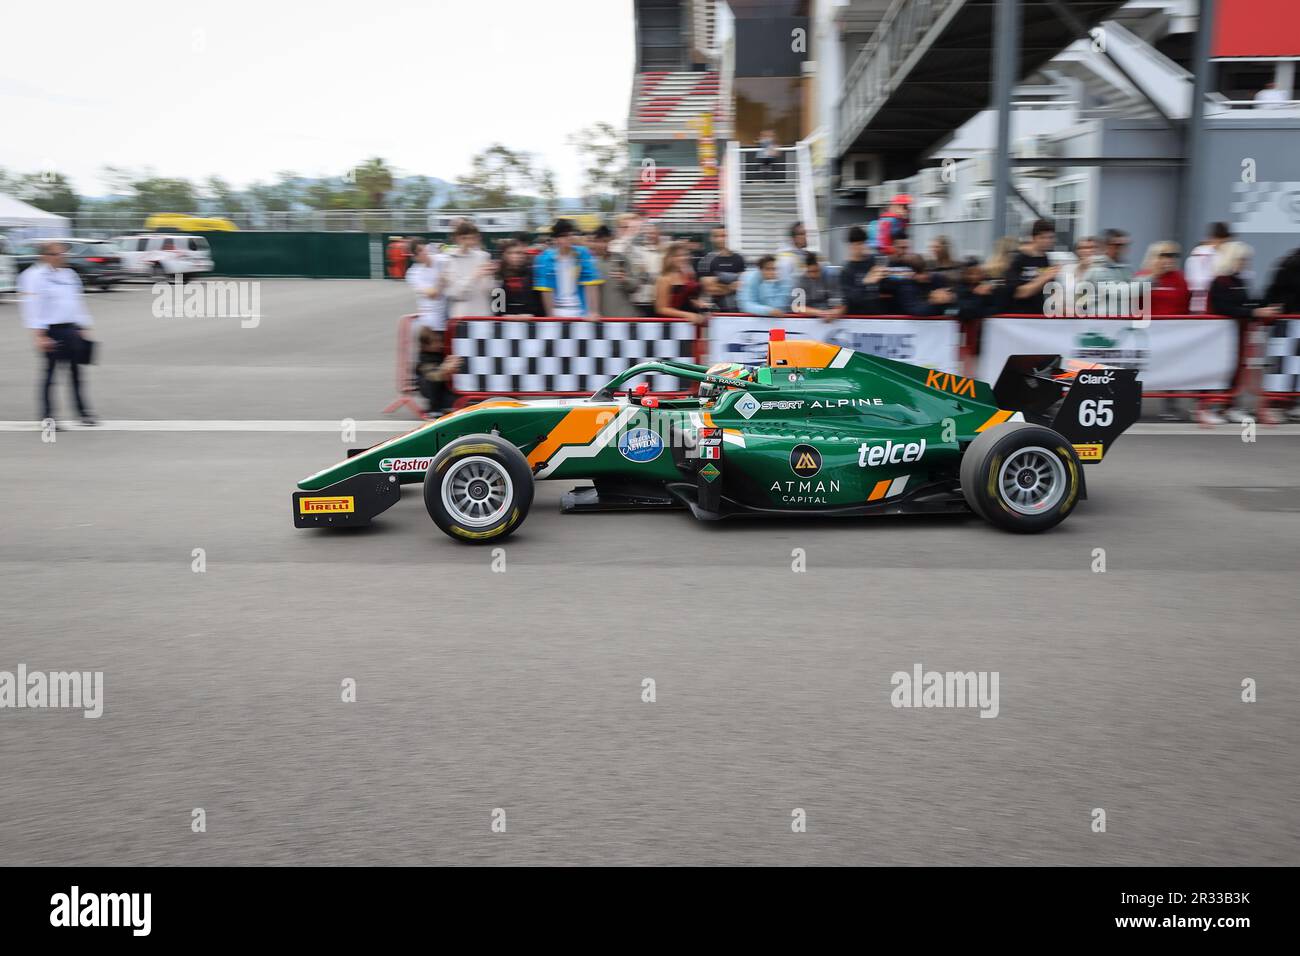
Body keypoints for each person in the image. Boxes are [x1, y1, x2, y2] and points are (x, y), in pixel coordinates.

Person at [19, 241, 97, 427]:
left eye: (63, 254)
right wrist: (39, 335)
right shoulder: (33, 276)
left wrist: (83, 327)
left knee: (76, 374)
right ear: (44, 256)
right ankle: (47, 417)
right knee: (50, 375)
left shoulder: (69, 274)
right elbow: (32, 307)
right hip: (51, 330)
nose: (62, 257)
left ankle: (83, 412)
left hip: (72, 329)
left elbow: (77, 302)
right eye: (57, 254)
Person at [1204, 241, 1280, 424]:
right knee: (1220, 369)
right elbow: (1224, 307)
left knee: (1236, 370)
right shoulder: (1219, 282)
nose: (1245, 263)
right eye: (1242, 259)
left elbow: (1247, 302)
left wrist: (1265, 306)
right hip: (1222, 335)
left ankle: (1229, 406)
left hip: (1238, 333)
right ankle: (1210, 406)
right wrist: (1255, 312)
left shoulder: (1238, 280)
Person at [533, 218, 602, 318]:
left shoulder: (583, 253)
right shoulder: (544, 258)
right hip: (557, 311)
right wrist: (551, 316)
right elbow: (546, 290)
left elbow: (591, 283)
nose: (569, 238)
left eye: (570, 234)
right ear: (556, 239)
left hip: (581, 311)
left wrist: (593, 312)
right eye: (564, 236)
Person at [443, 221, 495, 319]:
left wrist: (491, 276)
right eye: (464, 238)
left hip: (484, 315)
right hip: (461, 317)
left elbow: (490, 290)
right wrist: (475, 276)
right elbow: (455, 293)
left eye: (472, 238)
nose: (468, 242)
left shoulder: (483, 256)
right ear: (456, 239)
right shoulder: (448, 259)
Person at [1007, 219, 1059, 315]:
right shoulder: (1018, 259)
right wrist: (1044, 277)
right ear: (1034, 238)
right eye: (1043, 238)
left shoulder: (1045, 259)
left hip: (1039, 315)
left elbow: (1050, 292)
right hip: (1018, 317)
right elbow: (1019, 293)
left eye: (1050, 237)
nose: (1047, 241)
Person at [588, 225, 637, 317]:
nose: (603, 245)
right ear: (593, 242)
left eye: (605, 241)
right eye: (598, 241)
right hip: (600, 319)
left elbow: (634, 287)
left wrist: (624, 279)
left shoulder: (621, 260)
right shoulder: (589, 263)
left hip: (624, 317)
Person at [654, 242, 707, 324]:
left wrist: (698, 303)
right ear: (669, 258)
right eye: (677, 255)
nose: (683, 258)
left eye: (685, 255)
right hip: (672, 326)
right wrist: (687, 315)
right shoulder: (664, 279)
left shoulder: (688, 274)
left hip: (690, 324)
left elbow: (689, 297)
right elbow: (661, 308)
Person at [414, 327, 462, 417]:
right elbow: (433, 376)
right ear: (426, 346)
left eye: (439, 341)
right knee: (433, 380)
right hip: (428, 388)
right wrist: (446, 368)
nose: (440, 344)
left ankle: (445, 405)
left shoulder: (439, 352)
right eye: (435, 342)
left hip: (444, 389)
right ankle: (434, 409)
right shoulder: (425, 358)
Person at [697, 225, 746, 312]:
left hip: (738, 310)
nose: (720, 239)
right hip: (715, 312)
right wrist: (731, 287)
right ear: (711, 238)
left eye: (723, 236)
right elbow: (710, 289)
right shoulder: (705, 261)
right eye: (716, 236)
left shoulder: (739, 258)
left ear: (728, 237)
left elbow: (742, 285)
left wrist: (719, 281)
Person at [839, 225, 885, 315]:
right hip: (859, 319)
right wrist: (866, 282)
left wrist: (886, 277)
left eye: (864, 243)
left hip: (878, 314)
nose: (862, 247)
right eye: (858, 244)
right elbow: (851, 300)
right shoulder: (846, 270)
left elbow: (883, 287)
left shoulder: (875, 260)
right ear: (850, 246)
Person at [1186, 222, 1231, 312]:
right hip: (1201, 303)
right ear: (1212, 238)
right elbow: (1196, 282)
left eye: (1225, 241)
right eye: (1221, 240)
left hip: (1223, 302)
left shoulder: (1228, 254)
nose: (1223, 244)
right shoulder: (1199, 254)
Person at [1137, 241, 1190, 315]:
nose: (1170, 259)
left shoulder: (1180, 278)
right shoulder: (1142, 276)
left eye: (1174, 255)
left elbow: (1185, 304)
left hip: (1174, 323)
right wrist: (1156, 274)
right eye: (1164, 255)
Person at [406, 239, 447, 331]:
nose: (424, 252)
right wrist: (442, 278)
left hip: (449, 315)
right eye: (419, 251)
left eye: (424, 248)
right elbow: (432, 294)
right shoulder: (414, 273)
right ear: (414, 256)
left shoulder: (441, 259)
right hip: (431, 321)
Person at [791, 252, 844, 321]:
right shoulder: (799, 279)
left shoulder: (832, 275)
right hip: (809, 319)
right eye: (809, 272)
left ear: (821, 267)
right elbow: (797, 307)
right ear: (805, 269)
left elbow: (840, 306)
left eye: (816, 271)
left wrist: (833, 313)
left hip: (830, 318)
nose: (813, 275)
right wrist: (820, 313)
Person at [628, 221, 664, 317]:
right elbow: (636, 274)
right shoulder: (637, 251)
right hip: (639, 299)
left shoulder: (665, 252)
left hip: (657, 300)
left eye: (653, 233)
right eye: (648, 233)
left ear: (659, 234)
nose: (650, 235)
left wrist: (647, 274)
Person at [495, 240, 541, 315]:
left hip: (530, 320)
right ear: (504, 255)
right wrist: (504, 315)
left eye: (519, 253)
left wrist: (532, 314)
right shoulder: (498, 276)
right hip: (505, 321)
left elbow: (538, 300)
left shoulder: (533, 274)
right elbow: (497, 304)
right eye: (511, 253)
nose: (516, 256)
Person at [775, 222, 809, 286]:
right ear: (793, 238)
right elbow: (785, 285)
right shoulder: (786, 258)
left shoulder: (801, 253)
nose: (806, 237)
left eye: (806, 234)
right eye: (802, 234)